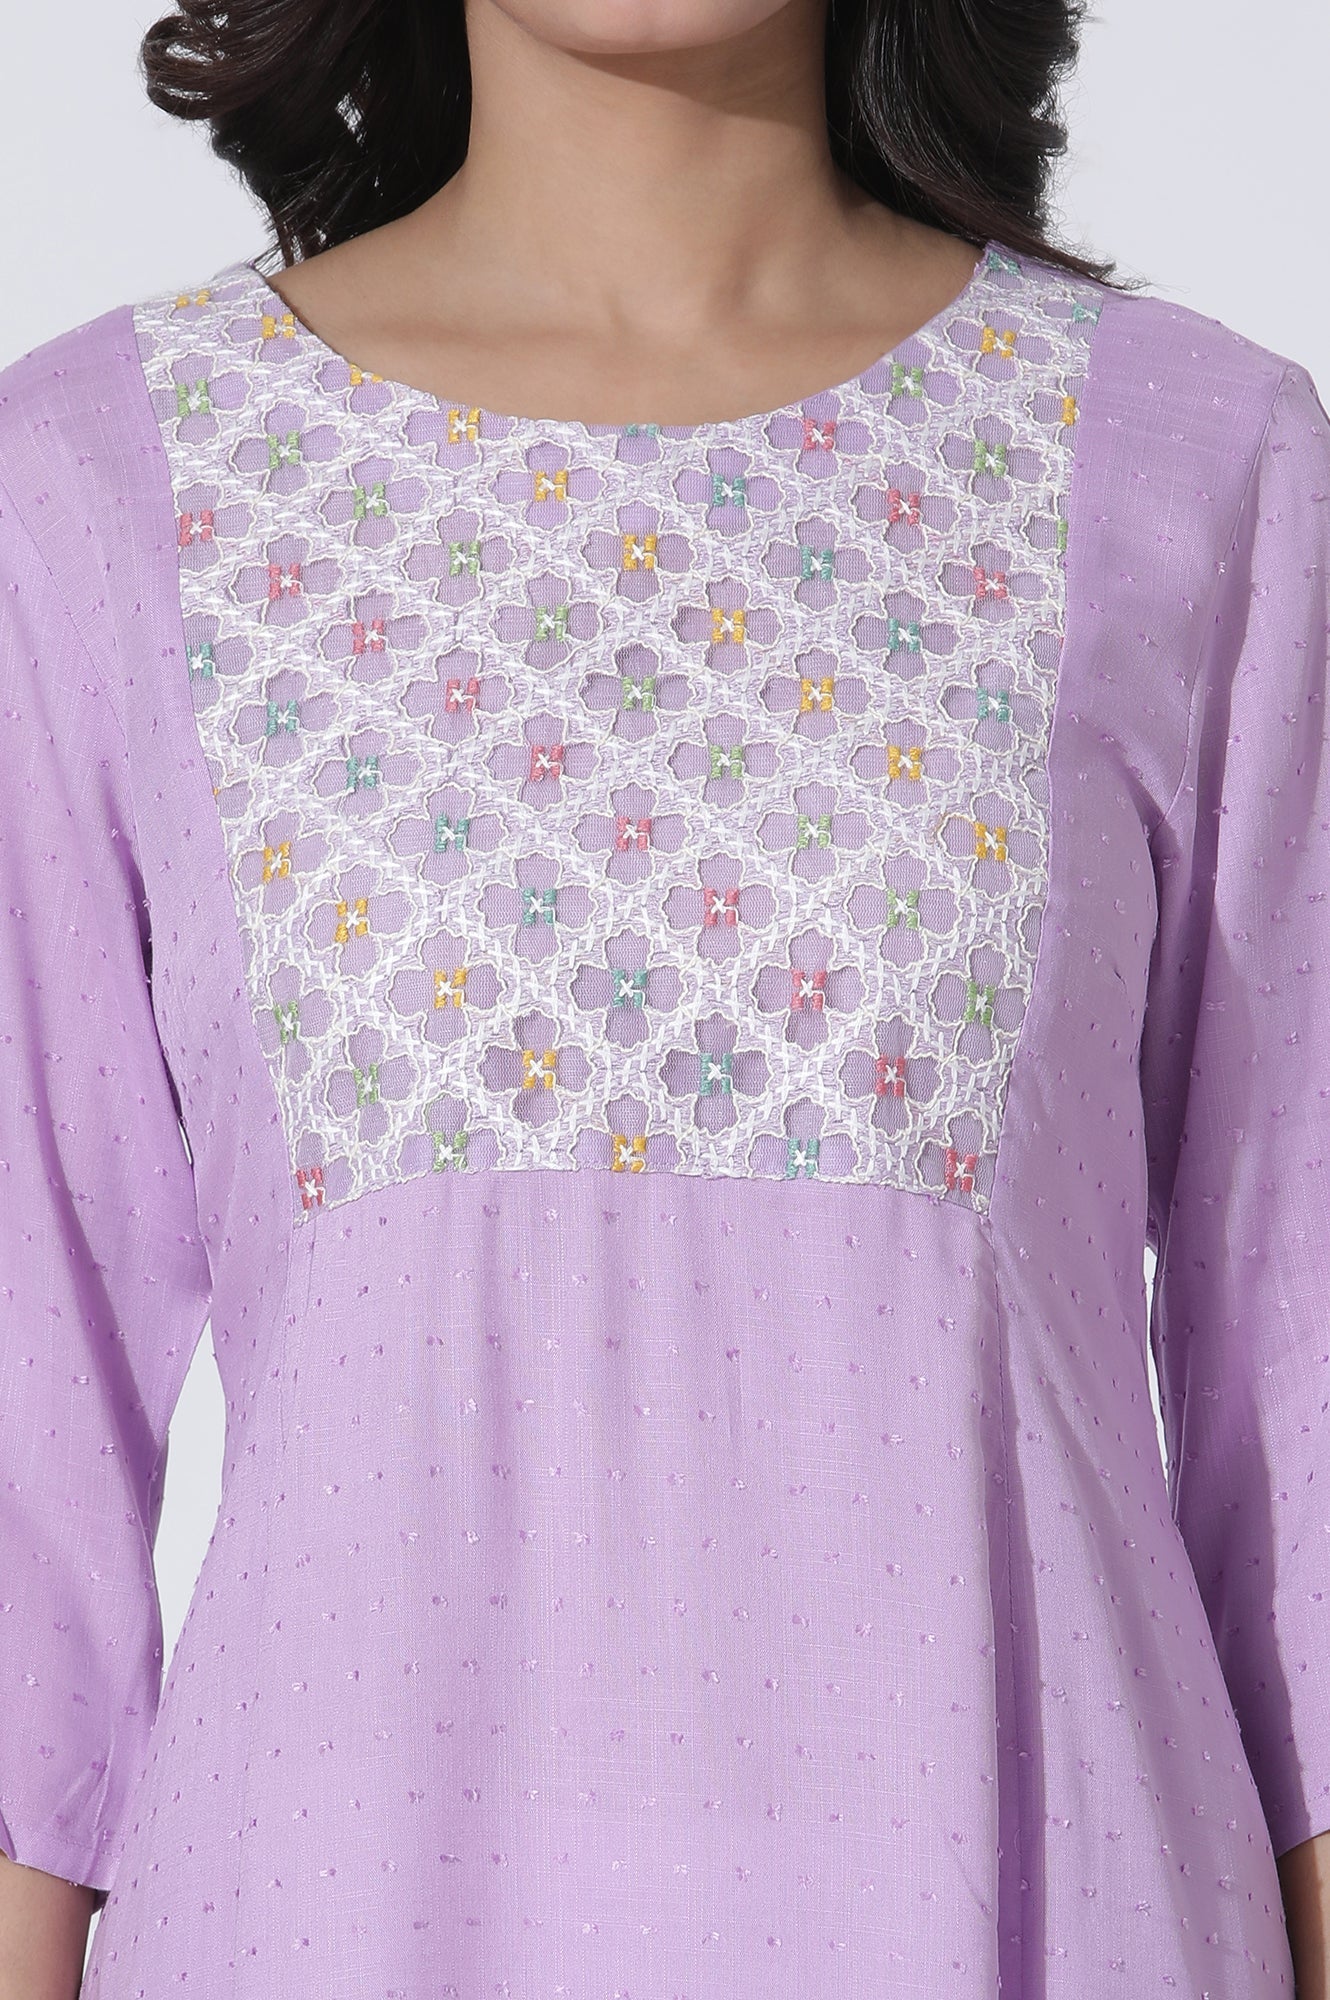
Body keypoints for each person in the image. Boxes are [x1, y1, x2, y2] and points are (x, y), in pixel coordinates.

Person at [1, 0, 1327, 1994]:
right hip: (333, 1923)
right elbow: (23, 1471)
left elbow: (1302, 1382)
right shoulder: (88, 486)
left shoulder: (1200, 463)